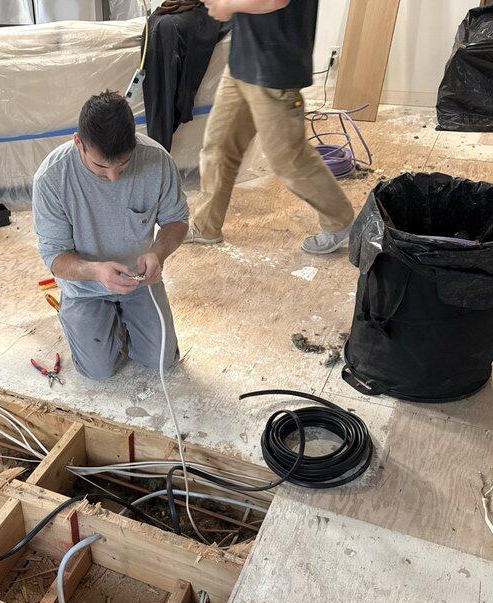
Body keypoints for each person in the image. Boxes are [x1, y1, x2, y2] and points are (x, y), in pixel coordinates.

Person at [32, 92, 189, 381]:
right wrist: (96, 271)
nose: (113, 177)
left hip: (139, 283)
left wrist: (158, 252)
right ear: (78, 141)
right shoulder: (52, 178)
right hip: (84, 287)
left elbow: (176, 221)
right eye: (101, 166)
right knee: (98, 371)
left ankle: (119, 322)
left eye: (124, 164)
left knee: (161, 361)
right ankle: (83, 317)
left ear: (134, 140)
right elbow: (55, 258)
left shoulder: (157, 161)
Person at [189, 0, 356, 254]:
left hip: (276, 69)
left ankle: (340, 221)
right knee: (219, 148)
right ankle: (205, 227)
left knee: (289, 160)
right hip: (242, 62)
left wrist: (227, 5)